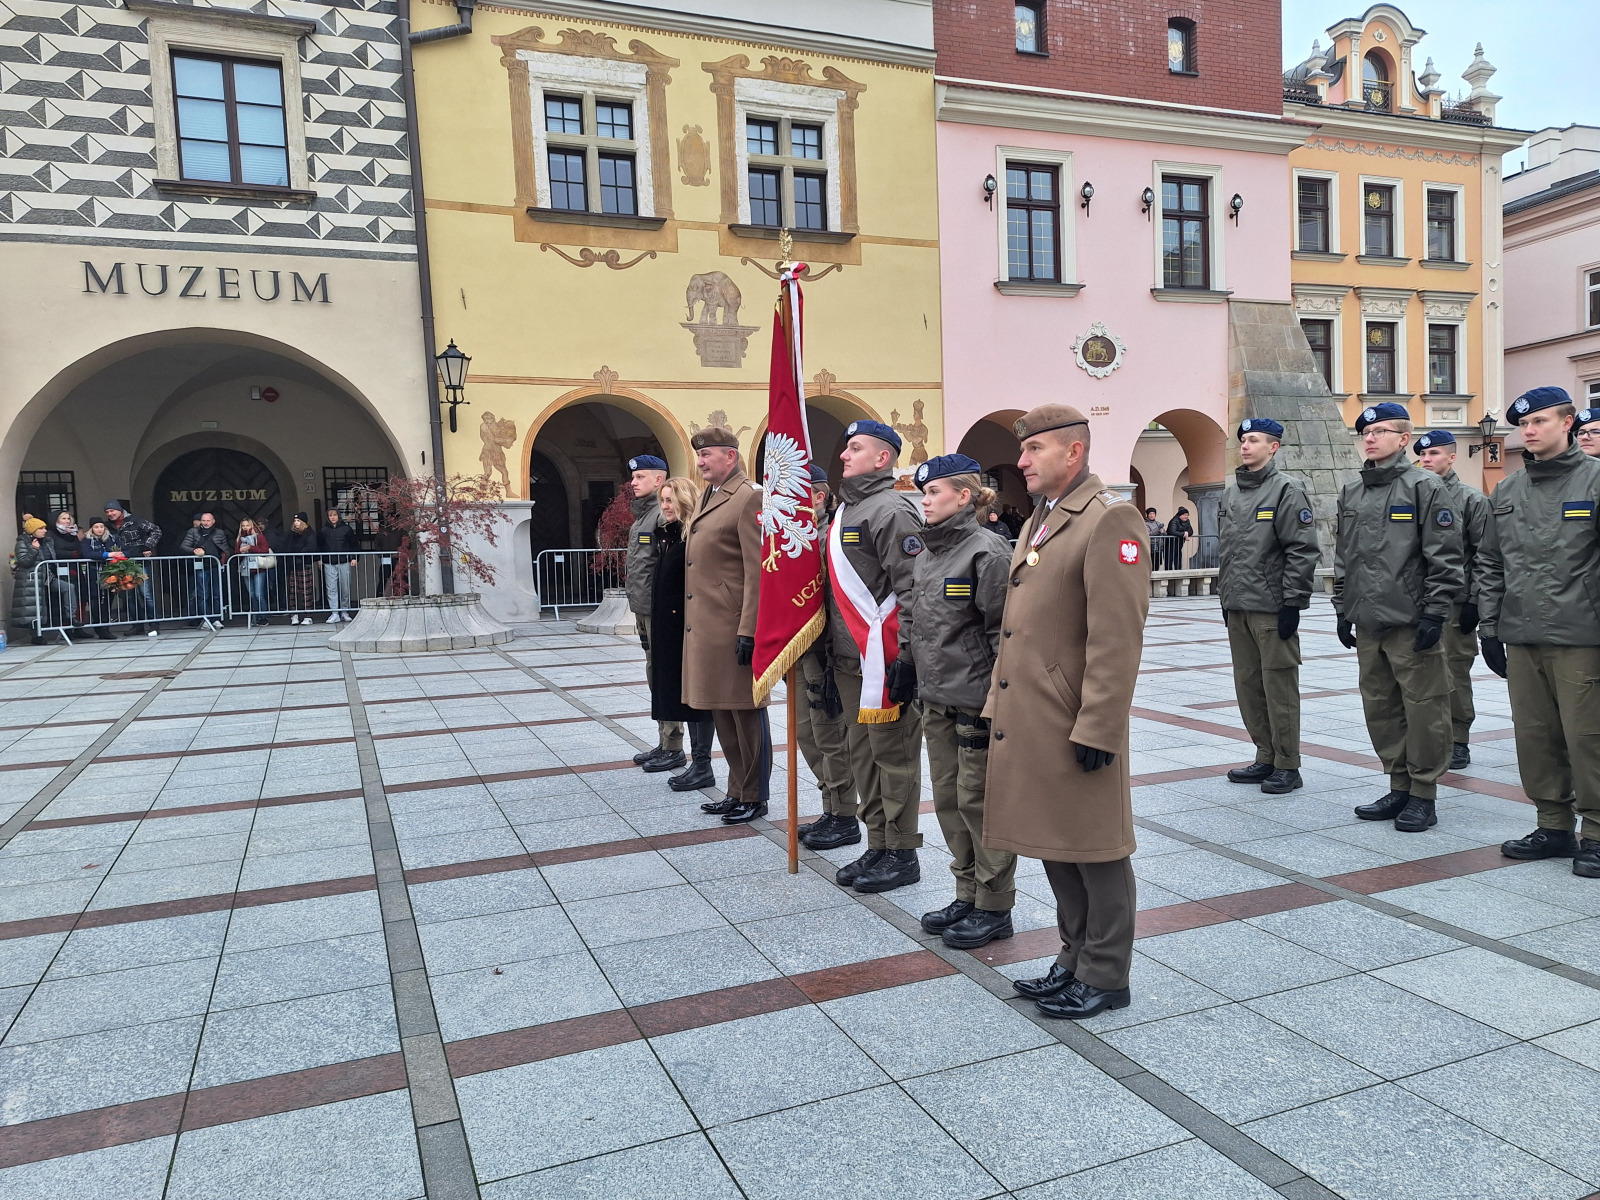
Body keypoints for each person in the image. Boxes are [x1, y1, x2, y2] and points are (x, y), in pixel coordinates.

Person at [986, 404, 1150, 1020]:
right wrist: (997, 704)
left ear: (1073, 452)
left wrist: (1101, 726)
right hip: (1034, 713)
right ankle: (1073, 958)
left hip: (1077, 716)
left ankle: (1106, 974)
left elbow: (1117, 636)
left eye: (1034, 450)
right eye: (1023, 450)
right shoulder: (1043, 518)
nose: (1022, 461)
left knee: (1096, 848)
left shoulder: (1109, 519)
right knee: (1056, 841)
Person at [1479, 386, 1600, 879]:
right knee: (1535, 736)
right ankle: (1553, 825)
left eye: (1539, 422)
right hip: (1523, 633)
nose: (1528, 431)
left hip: (1583, 635)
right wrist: (1490, 627)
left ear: (1568, 423)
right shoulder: (1508, 490)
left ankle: (1596, 832)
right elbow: (1490, 562)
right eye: (1523, 425)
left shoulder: (1595, 480)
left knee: (1588, 737)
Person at [1334, 402, 1464, 833]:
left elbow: (1445, 556)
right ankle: (1398, 784)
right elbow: (1344, 555)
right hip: (1368, 621)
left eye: (1380, 432)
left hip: (1411, 620)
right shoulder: (1352, 491)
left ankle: (1423, 793)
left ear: (1404, 439)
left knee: (1425, 708)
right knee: (1381, 708)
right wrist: (1342, 608)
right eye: (1365, 433)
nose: (1370, 438)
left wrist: (1435, 613)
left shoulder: (1425, 486)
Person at [906, 453, 1016, 949]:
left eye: (934, 492)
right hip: (936, 697)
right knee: (949, 800)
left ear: (964, 496)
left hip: (974, 701)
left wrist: (996, 702)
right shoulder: (929, 552)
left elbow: (1002, 634)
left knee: (979, 803)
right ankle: (966, 892)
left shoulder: (986, 552)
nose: (925, 502)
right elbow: (921, 620)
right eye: (924, 493)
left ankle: (994, 905)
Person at [826, 419, 926, 894]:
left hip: (883, 659)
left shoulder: (891, 510)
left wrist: (906, 656)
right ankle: (879, 842)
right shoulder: (848, 508)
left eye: (855, 448)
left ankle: (902, 852)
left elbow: (912, 589)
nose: (844, 455)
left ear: (882, 458)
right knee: (863, 756)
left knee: (894, 757)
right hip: (850, 658)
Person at [1218, 418, 1321, 795]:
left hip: (1271, 606)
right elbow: (1227, 550)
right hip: (1238, 605)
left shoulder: (1287, 490)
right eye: (1243, 440)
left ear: (1273, 447)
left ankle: (1288, 764)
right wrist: (1225, 596)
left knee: (1279, 686)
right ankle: (1265, 755)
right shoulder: (1231, 493)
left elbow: (1302, 549)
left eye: (1254, 440)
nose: (1245, 446)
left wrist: (1293, 602)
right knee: (1248, 685)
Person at [681, 426, 769, 824]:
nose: (699, 462)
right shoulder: (709, 495)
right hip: (707, 628)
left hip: (733, 626)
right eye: (698, 455)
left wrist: (749, 629)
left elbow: (757, 571)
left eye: (707, 455)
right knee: (722, 712)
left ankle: (754, 794)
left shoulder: (749, 496)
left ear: (730, 457)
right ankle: (737, 790)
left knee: (745, 714)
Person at [1413, 431, 1491, 769]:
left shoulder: (1472, 500)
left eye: (1433, 454)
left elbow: (1486, 555)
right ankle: (1430, 736)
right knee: (1422, 672)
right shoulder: (1414, 495)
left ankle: (1458, 738)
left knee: (1455, 672)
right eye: (1422, 455)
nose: (1426, 459)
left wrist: (1475, 601)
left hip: (1456, 603)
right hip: (1418, 601)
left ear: (1451, 457)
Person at [794, 462, 861, 850]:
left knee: (830, 734)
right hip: (803, 648)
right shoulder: (799, 539)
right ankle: (830, 806)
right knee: (808, 733)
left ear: (819, 497)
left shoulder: (830, 537)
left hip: (824, 649)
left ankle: (844, 814)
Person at [648, 476, 716, 792]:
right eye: (662, 500)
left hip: (689, 629)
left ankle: (702, 765)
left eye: (670, 499)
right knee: (682, 696)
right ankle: (694, 761)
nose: (665, 506)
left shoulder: (693, 538)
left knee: (696, 699)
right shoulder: (669, 535)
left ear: (686, 500)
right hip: (669, 630)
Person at [623, 455, 685, 774]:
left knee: (662, 673)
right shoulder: (644, 516)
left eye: (640, 477)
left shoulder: (661, 516)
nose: (633, 482)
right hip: (644, 607)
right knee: (653, 672)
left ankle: (673, 746)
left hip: (658, 609)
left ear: (659, 480)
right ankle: (665, 741)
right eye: (633, 477)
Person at [104, 500, 160, 636]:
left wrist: (147, 546)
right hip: (122, 564)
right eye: (107, 512)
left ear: (119, 510)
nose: (110, 513)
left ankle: (154, 624)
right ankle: (137, 625)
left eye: (112, 510)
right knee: (129, 596)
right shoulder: (107, 526)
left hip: (139, 561)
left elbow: (156, 530)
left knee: (145, 593)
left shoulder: (135, 520)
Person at [10, 517, 61, 645]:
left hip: (45, 577)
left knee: (62, 591)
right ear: (33, 530)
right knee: (33, 607)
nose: (45, 530)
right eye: (41, 528)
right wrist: (33, 549)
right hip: (30, 580)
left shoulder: (47, 541)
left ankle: (60, 626)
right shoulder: (22, 543)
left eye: (45, 528)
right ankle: (36, 635)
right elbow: (24, 561)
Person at [180, 512, 230, 628]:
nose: (206, 523)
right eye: (203, 521)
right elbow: (184, 546)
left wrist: (223, 559)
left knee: (217, 594)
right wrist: (195, 551)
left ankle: (216, 618)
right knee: (203, 594)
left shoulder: (219, 533)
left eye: (208, 521)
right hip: (201, 566)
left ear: (213, 521)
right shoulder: (193, 531)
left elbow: (226, 548)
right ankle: (206, 619)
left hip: (215, 566)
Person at [78, 519, 121, 639]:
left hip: (111, 574)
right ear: (92, 528)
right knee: (96, 602)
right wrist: (107, 555)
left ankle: (106, 627)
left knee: (108, 601)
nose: (99, 529)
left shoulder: (112, 538)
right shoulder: (87, 540)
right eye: (96, 527)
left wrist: (121, 554)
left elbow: (122, 549)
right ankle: (99, 628)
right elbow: (87, 554)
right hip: (94, 575)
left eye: (101, 526)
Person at [277, 513, 319, 625]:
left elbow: (310, 548)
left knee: (306, 592)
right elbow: (284, 546)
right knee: (292, 592)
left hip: (304, 565)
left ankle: (308, 616)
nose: (296, 523)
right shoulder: (290, 534)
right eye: (295, 521)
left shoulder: (309, 534)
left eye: (298, 521)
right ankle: (294, 615)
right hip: (292, 566)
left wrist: (297, 553)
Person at [319, 508, 360, 622]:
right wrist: (319, 559)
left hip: (344, 561)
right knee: (331, 588)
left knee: (345, 588)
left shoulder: (346, 529)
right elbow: (320, 546)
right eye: (330, 515)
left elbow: (354, 544)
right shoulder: (323, 530)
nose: (333, 517)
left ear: (338, 516)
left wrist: (354, 557)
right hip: (329, 563)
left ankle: (344, 611)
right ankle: (335, 612)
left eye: (335, 515)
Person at [235, 519, 273, 627]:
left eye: (247, 525)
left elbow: (265, 550)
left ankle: (263, 617)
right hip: (246, 568)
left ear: (252, 526)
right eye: (243, 526)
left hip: (258, 568)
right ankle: (256, 616)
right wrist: (241, 551)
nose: (245, 527)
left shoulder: (259, 537)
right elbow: (236, 552)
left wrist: (250, 548)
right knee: (252, 594)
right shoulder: (239, 539)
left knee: (259, 594)